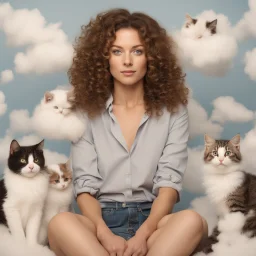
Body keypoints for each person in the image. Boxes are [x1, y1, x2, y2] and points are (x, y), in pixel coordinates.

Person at [48, 8, 208, 256]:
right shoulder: (85, 113)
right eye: (116, 51)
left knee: (193, 221)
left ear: (151, 57)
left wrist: (144, 234)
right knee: (60, 223)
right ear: (103, 58)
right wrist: (104, 233)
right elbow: (85, 187)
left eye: (137, 51)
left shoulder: (173, 111)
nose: (127, 61)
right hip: (99, 220)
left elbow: (169, 184)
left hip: (153, 221)